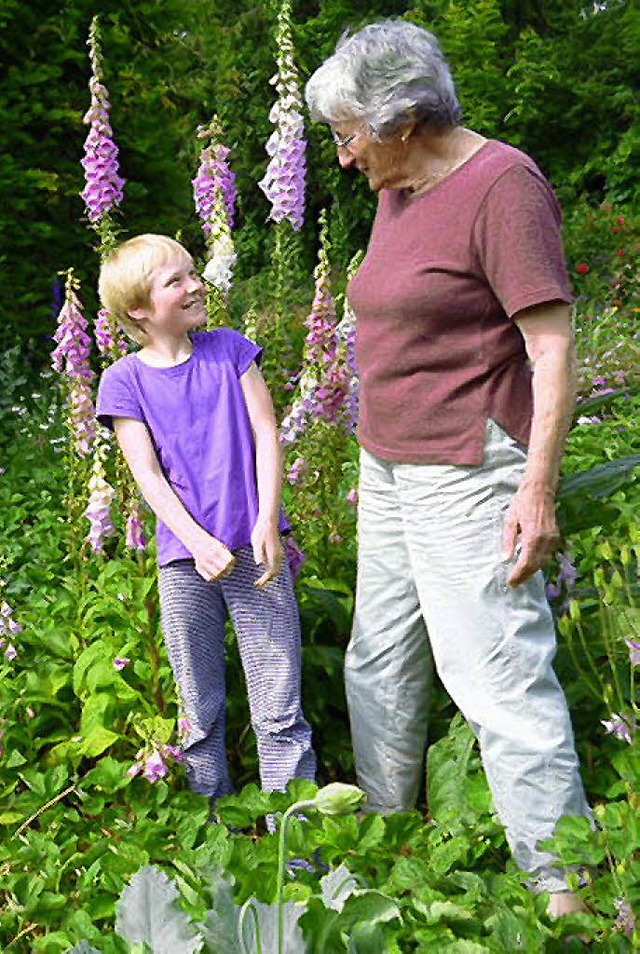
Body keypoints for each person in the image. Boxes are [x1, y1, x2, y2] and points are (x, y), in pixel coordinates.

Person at [305, 20, 590, 915]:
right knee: (377, 659)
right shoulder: (399, 185)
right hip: (388, 463)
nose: (344, 158)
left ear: (400, 120)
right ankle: (384, 843)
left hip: (469, 464)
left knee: (497, 677)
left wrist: (536, 487)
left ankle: (569, 895)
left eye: (349, 135)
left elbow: (550, 349)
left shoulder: (502, 186)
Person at [96, 233, 316, 808]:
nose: (196, 285)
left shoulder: (231, 351)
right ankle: (211, 832)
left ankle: (296, 843)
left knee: (279, 705)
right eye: (176, 280)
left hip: (256, 549)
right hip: (185, 561)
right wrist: (197, 542)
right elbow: (147, 476)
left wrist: (268, 520)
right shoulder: (124, 381)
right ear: (139, 309)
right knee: (200, 708)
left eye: (193, 273)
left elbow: (268, 433)